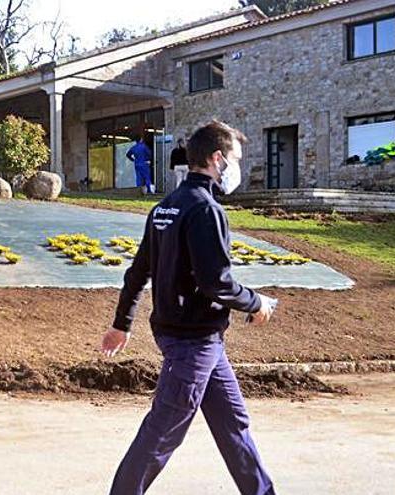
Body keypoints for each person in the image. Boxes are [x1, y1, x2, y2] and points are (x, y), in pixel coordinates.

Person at [101, 120, 276, 495]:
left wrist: (122, 323)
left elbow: (137, 273)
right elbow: (217, 282)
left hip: (198, 340)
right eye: (236, 158)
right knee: (161, 434)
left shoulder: (166, 207)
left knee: (234, 425)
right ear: (217, 159)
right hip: (192, 344)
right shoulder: (206, 210)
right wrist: (256, 302)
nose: (237, 167)